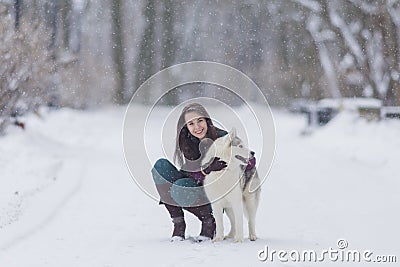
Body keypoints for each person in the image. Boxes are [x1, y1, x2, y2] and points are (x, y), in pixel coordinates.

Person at [151, 103, 256, 242]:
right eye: (191, 123)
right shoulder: (187, 140)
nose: (197, 127)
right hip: (194, 182)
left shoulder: (222, 139)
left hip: (213, 192)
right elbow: (191, 172)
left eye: (200, 120)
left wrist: (237, 161)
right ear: (186, 127)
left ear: (206, 120)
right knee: (161, 166)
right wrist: (206, 169)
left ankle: (208, 221)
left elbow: (249, 160)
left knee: (179, 188)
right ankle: (178, 224)